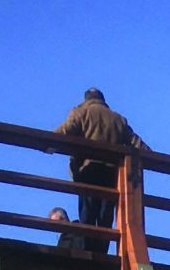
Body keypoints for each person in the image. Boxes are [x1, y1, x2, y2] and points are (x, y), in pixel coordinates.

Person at [55, 87, 141, 248]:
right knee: (105, 215)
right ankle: (101, 249)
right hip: (110, 173)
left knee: (87, 211)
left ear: (86, 99)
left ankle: (86, 248)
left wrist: (49, 143)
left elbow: (66, 130)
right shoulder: (118, 119)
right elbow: (136, 143)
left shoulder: (81, 112)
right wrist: (153, 157)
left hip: (88, 170)